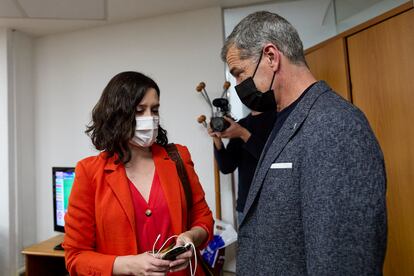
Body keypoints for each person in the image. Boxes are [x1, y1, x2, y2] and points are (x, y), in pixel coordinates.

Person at [221, 11, 387, 275]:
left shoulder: (335, 124)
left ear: (271, 57)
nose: (240, 85)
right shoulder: (285, 119)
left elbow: (342, 260)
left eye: (239, 74)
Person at [63, 71, 214, 276]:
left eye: (155, 110)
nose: (149, 118)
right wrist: (129, 265)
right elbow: (76, 257)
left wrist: (191, 237)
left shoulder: (179, 157)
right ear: (117, 115)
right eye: (139, 110)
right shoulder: (89, 172)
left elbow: (203, 219)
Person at [208, 110, 276, 224]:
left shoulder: (277, 118)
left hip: (273, 205)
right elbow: (226, 167)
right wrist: (217, 140)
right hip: (246, 206)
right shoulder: (242, 124)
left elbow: (272, 159)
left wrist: (243, 134)